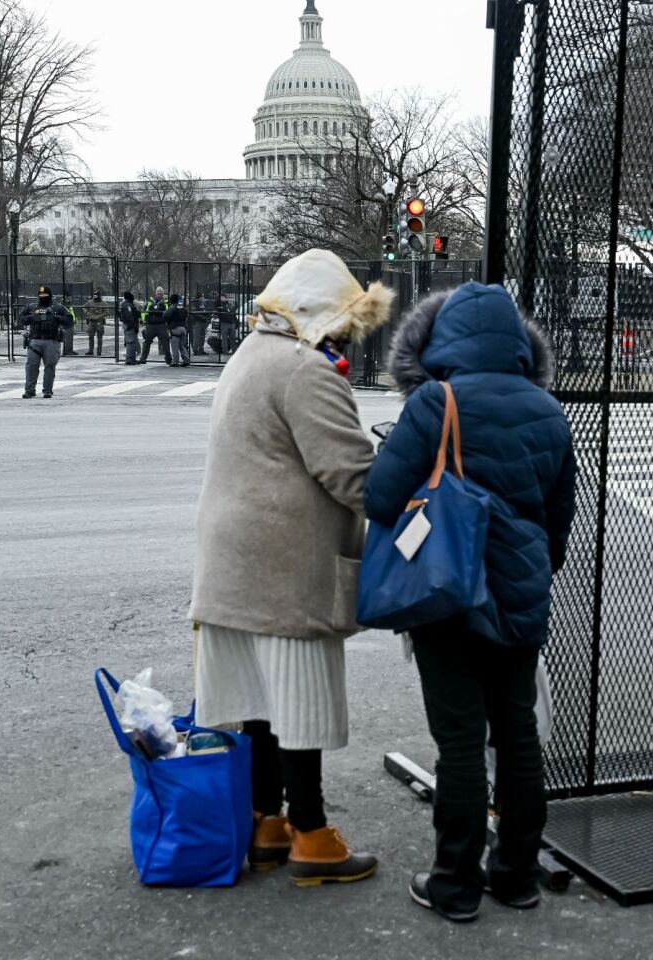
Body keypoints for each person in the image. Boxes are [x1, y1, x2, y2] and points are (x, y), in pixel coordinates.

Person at [365, 282, 578, 924]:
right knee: (516, 734)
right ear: (516, 342)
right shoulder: (547, 409)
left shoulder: (437, 401)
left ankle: (454, 884)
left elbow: (379, 500)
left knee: (459, 739)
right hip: (519, 594)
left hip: (447, 593)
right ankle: (515, 875)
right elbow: (559, 518)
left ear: (443, 340)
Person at [189, 248, 395, 887]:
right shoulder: (305, 371)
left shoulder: (248, 357)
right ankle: (312, 836)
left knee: (259, 701)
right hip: (285, 560)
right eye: (343, 325)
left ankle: (265, 823)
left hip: (234, 556)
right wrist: (410, 488)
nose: (345, 340)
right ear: (319, 314)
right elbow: (351, 474)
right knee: (297, 699)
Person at [15, 285, 71, 399]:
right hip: (35, 340)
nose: (43, 297)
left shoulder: (58, 307)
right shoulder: (31, 307)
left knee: (50, 367)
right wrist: (31, 316)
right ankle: (29, 390)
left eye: (45, 295)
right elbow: (20, 319)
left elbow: (69, 321)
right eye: (41, 295)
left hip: (51, 341)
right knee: (31, 366)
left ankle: (47, 390)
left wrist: (55, 317)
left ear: (50, 296)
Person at [139, 286, 171, 365]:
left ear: (163, 293)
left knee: (165, 343)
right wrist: (143, 321)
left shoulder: (166, 302)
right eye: (158, 291)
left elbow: (170, 311)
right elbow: (143, 311)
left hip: (162, 325)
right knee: (147, 342)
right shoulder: (150, 301)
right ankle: (143, 358)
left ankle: (169, 359)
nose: (159, 292)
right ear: (155, 293)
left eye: (161, 291)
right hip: (150, 325)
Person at [165, 294, 189, 367]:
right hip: (183, 328)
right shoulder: (182, 307)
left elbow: (166, 316)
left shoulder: (172, 307)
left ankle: (175, 361)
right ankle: (186, 360)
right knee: (182, 346)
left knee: (174, 345)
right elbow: (185, 315)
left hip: (174, 329)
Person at [119, 291, 142, 365]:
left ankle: (132, 358)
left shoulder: (128, 304)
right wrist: (133, 326)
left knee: (133, 342)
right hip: (130, 326)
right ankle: (129, 359)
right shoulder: (127, 305)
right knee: (130, 343)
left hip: (130, 326)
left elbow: (135, 314)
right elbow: (129, 317)